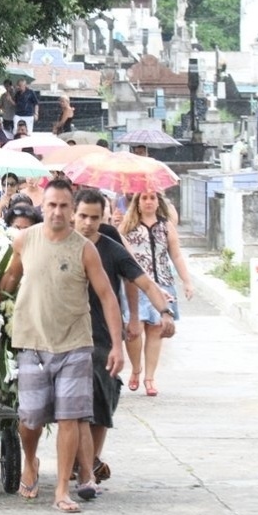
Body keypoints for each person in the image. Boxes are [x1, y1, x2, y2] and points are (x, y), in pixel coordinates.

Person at [0, 179, 123, 514]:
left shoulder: (85, 248)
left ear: (72, 210)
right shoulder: (26, 239)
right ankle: (30, 460)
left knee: (70, 417)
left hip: (74, 343)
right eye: (52, 205)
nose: (57, 211)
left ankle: (61, 490)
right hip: (32, 341)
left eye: (64, 206)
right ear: (45, 207)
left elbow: (107, 297)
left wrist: (117, 345)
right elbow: (10, 279)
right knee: (31, 419)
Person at [71, 189, 172, 494]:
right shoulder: (55, 243)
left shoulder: (112, 250)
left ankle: (88, 465)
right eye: (83, 216)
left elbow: (143, 282)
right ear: (73, 214)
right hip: (61, 335)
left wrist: (164, 312)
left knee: (103, 397)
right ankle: (82, 466)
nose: (88, 223)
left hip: (101, 338)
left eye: (95, 217)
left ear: (104, 218)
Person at [120, 190, 195, 398]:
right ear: (137, 202)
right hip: (136, 284)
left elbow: (176, 255)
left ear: (158, 201)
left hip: (163, 282)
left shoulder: (165, 226)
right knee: (134, 329)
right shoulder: (127, 227)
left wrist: (186, 281)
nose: (149, 202)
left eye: (152, 198)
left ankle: (150, 377)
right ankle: (136, 369)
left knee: (156, 329)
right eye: (144, 198)